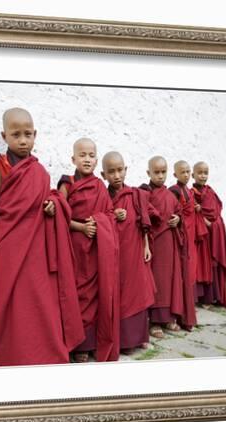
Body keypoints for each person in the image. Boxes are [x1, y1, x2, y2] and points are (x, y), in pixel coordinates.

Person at [0, 107, 84, 366]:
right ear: (4, 136)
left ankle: (44, 354)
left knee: (40, 301)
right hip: (9, 245)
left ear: (35, 134)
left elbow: (48, 197)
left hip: (36, 247)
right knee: (12, 304)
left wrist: (52, 205)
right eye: (16, 135)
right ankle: (14, 356)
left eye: (28, 134)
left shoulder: (39, 171)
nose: (23, 140)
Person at [58, 138, 120, 363]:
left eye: (91, 155)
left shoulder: (100, 187)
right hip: (75, 247)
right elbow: (60, 216)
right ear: (73, 159)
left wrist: (103, 221)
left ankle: (91, 342)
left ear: (96, 159)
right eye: (82, 155)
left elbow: (110, 214)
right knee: (76, 293)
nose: (87, 159)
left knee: (95, 294)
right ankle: (76, 344)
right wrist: (82, 227)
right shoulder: (67, 183)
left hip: (96, 248)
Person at [101, 151, 155, 353]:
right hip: (114, 253)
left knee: (138, 291)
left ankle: (139, 337)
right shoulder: (103, 195)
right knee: (119, 294)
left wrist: (146, 246)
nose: (116, 175)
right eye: (111, 171)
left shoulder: (135, 195)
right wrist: (112, 215)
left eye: (120, 170)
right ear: (103, 174)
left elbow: (144, 223)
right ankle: (123, 340)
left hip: (134, 249)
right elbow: (98, 217)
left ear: (126, 170)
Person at [139, 156, 189, 338]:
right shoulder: (145, 193)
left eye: (163, 172)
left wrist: (178, 219)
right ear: (148, 173)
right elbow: (143, 215)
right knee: (157, 281)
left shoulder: (170, 195)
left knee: (170, 280)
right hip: (154, 244)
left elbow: (178, 212)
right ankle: (154, 322)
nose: (160, 176)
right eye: (156, 172)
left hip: (170, 243)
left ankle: (168, 318)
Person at [192, 161, 226, 308]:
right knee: (200, 265)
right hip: (200, 236)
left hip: (213, 235)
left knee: (213, 265)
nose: (203, 176)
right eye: (200, 172)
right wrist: (199, 216)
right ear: (193, 175)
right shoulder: (190, 194)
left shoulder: (210, 193)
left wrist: (212, 225)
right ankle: (202, 298)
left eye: (206, 172)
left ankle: (213, 296)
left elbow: (216, 214)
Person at [168, 160, 200, 330]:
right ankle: (181, 315)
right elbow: (172, 211)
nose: (186, 175)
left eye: (188, 171)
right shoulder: (173, 191)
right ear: (175, 175)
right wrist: (178, 220)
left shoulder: (188, 190)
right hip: (180, 238)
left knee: (189, 274)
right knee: (181, 276)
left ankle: (188, 312)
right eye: (183, 172)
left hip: (189, 237)